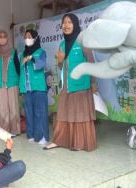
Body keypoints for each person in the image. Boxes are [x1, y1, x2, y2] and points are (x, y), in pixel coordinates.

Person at [44, 13, 97, 151]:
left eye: (69, 22)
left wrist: (93, 83)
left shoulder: (82, 41)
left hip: (81, 84)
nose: (66, 25)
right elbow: (61, 67)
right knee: (63, 111)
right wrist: (60, 61)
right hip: (68, 85)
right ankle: (59, 140)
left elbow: (91, 62)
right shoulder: (62, 44)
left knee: (79, 114)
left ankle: (79, 143)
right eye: (64, 23)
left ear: (75, 24)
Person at [19, 29, 49, 145]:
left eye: (30, 36)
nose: (27, 38)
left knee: (40, 112)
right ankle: (30, 134)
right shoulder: (22, 54)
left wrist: (32, 58)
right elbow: (21, 71)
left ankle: (42, 136)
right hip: (26, 88)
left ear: (35, 38)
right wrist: (21, 87)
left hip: (39, 87)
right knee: (29, 112)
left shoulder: (41, 52)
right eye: (26, 36)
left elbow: (41, 65)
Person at [0, 30, 20, 136]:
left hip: (12, 82)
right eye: (0, 37)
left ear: (7, 38)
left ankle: (15, 130)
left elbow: (17, 67)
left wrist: (18, 82)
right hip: (0, 83)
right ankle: (4, 130)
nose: (2, 39)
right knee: (3, 108)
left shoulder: (13, 51)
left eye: (4, 37)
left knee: (13, 106)